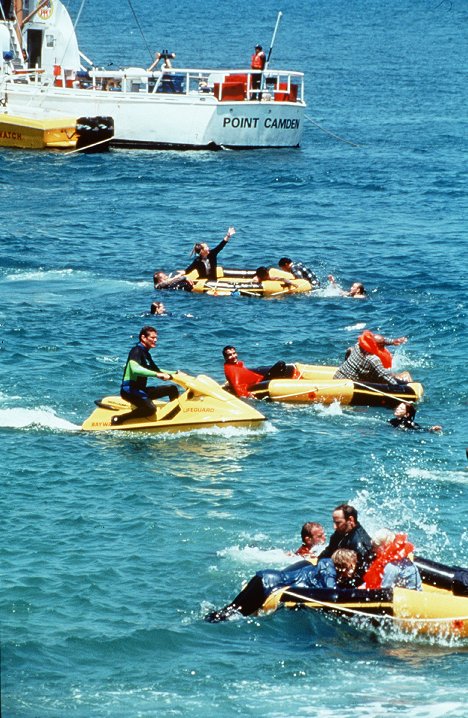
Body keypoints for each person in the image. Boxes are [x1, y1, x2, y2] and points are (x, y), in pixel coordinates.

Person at [205, 548, 358, 622]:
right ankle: (206, 623)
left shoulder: (325, 564)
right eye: (353, 564)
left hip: (266, 578)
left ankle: (206, 619)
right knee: (232, 614)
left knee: (230, 611)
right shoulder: (327, 567)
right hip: (269, 584)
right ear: (345, 564)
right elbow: (331, 591)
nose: (355, 567)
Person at [112, 326, 178, 426]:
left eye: (156, 338)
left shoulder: (146, 354)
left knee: (172, 389)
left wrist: (175, 373)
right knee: (151, 409)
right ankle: (120, 419)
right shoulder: (136, 351)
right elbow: (135, 369)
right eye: (152, 337)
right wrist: (157, 375)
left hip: (141, 389)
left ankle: (175, 416)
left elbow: (157, 370)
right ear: (143, 338)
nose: (155, 340)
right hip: (129, 391)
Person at [319, 504, 374, 584]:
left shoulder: (360, 544)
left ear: (350, 520)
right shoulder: (340, 533)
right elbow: (326, 553)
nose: (334, 527)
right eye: (334, 522)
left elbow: (363, 574)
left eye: (338, 523)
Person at [334, 330, 413, 385]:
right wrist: (403, 385)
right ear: (379, 348)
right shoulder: (373, 359)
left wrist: (392, 341)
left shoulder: (358, 345)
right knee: (393, 375)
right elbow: (386, 377)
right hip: (347, 385)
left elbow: (378, 340)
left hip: (337, 376)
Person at [222, 345, 295, 398]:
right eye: (230, 355)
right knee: (281, 364)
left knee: (287, 368)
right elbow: (237, 385)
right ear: (225, 357)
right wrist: (246, 395)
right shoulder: (231, 370)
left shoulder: (235, 365)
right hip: (259, 384)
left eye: (234, 353)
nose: (234, 356)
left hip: (258, 380)